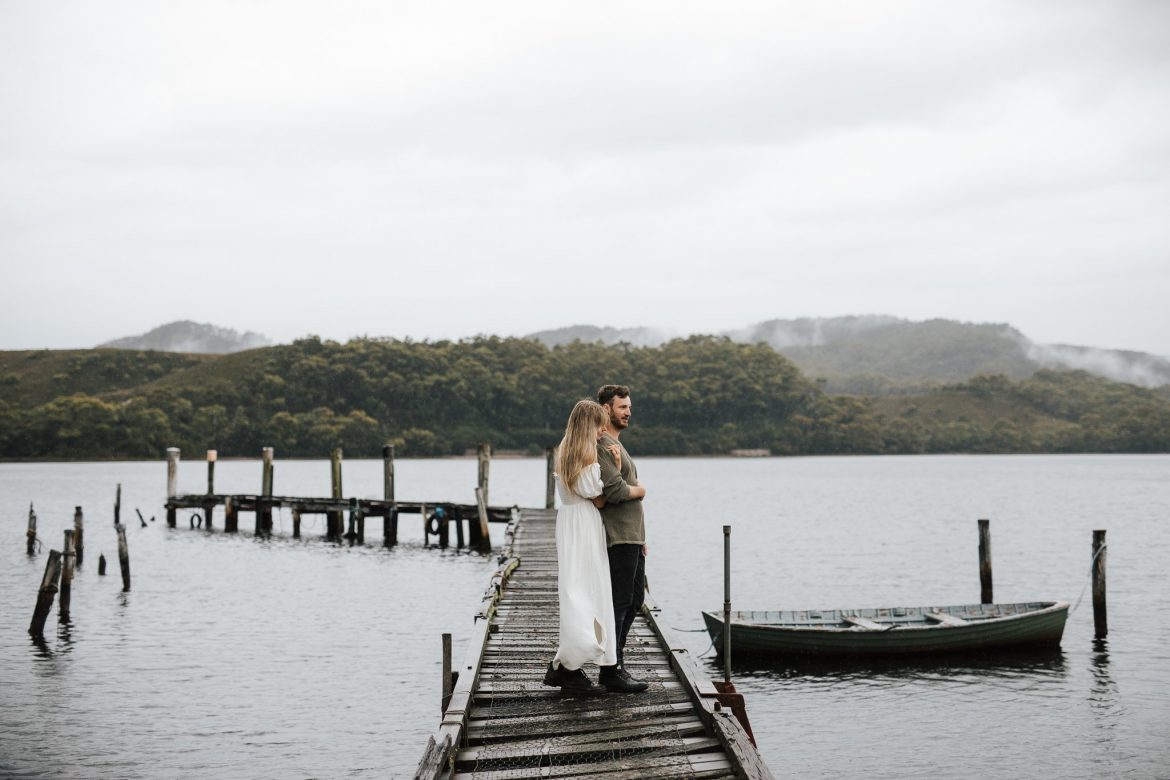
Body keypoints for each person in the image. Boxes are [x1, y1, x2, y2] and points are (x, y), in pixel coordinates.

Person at [543, 400, 620, 694]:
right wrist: (617, 467)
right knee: (589, 589)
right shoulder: (588, 455)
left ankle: (568, 664)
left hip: (568, 520)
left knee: (575, 589)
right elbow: (599, 498)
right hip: (584, 523)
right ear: (590, 425)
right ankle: (569, 667)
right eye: (600, 425)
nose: (603, 430)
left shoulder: (564, 450)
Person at [595, 384, 650, 694]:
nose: (628, 412)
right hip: (618, 536)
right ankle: (610, 669)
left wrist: (643, 538)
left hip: (633, 536)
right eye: (622, 407)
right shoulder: (602, 444)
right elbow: (615, 492)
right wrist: (642, 490)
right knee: (619, 602)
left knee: (635, 601)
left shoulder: (617, 444)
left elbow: (623, 486)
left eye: (629, 407)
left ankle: (617, 662)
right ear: (606, 408)